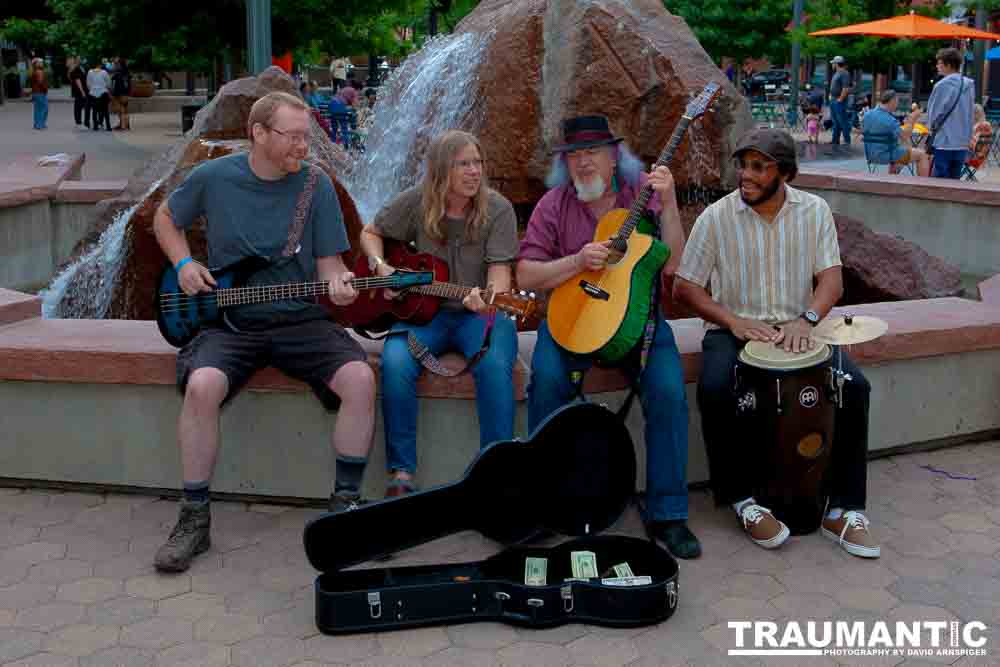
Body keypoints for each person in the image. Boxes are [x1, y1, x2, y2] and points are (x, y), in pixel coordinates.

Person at [150, 92, 376, 572]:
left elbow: (330, 265)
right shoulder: (214, 177)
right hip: (231, 322)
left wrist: (339, 287)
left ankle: (346, 507)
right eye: (292, 136)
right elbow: (165, 218)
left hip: (301, 319)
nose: (303, 145)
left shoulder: (317, 187)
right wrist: (185, 262)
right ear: (258, 133)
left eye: (306, 136)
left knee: (360, 380)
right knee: (202, 385)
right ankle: (194, 518)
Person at [673, 128, 879, 560]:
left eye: (758, 167)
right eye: (743, 166)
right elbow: (685, 287)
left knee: (854, 387)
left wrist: (805, 320)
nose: (745, 176)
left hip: (800, 328)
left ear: (785, 173)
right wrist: (734, 320)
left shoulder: (815, 211)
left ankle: (843, 508)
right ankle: (743, 501)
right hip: (732, 328)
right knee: (714, 389)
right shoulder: (716, 216)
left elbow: (832, 280)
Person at [516, 115, 701, 560]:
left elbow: (674, 263)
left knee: (669, 391)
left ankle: (669, 513)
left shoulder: (644, 198)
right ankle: (545, 504)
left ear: (614, 155)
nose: (584, 163)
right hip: (573, 319)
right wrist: (578, 261)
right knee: (545, 383)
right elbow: (526, 273)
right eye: (575, 155)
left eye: (593, 152)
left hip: (640, 324)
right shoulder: (554, 205)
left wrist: (671, 202)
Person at [360, 130, 519, 498]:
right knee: (396, 361)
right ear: (440, 170)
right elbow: (372, 231)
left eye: (477, 162)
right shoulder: (416, 202)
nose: (473, 171)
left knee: (494, 365)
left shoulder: (498, 209)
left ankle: (497, 472)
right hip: (423, 314)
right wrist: (380, 265)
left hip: (476, 315)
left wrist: (490, 299)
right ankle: (401, 475)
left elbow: (500, 276)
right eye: (463, 163)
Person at [926, 47, 975, 180]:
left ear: (948, 65)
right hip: (962, 141)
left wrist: (930, 129)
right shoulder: (969, 84)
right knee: (955, 179)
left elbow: (934, 114)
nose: (937, 66)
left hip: (944, 140)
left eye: (939, 63)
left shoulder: (941, 86)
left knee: (940, 179)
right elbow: (971, 113)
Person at [862, 90, 930, 177]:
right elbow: (906, 136)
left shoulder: (867, 115)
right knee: (922, 154)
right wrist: (912, 119)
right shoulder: (890, 120)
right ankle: (923, 185)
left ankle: (892, 179)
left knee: (901, 148)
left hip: (871, 155)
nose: (897, 105)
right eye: (897, 102)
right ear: (892, 101)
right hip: (887, 155)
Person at [829, 56, 852, 149]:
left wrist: (840, 99)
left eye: (833, 63)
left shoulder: (844, 73)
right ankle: (835, 140)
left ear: (837, 64)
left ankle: (847, 141)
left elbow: (845, 88)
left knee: (842, 120)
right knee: (835, 121)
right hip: (834, 99)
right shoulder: (837, 73)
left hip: (839, 100)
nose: (832, 65)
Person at [86, 60, 112, 131]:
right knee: (105, 110)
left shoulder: (90, 72)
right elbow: (109, 83)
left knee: (94, 110)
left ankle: (95, 126)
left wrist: (92, 89)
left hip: (93, 93)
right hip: (103, 93)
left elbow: (88, 84)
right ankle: (108, 126)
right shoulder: (104, 72)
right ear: (100, 65)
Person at [67, 56, 90, 129]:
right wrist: (82, 91)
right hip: (80, 90)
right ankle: (79, 123)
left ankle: (78, 122)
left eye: (81, 59)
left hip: (80, 90)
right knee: (79, 106)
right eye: (78, 59)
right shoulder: (76, 69)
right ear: (75, 61)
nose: (80, 60)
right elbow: (77, 80)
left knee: (78, 106)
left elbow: (71, 79)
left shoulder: (78, 68)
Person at [110, 56, 131, 131]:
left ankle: (122, 126)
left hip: (120, 94)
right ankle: (127, 125)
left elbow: (116, 85)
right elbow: (129, 85)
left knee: (120, 110)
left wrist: (114, 95)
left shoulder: (118, 74)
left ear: (120, 64)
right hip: (126, 93)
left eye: (117, 63)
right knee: (126, 109)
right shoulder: (128, 73)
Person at [30, 58, 48, 131]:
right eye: (40, 62)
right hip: (40, 92)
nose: (42, 63)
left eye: (42, 62)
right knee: (44, 108)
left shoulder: (34, 71)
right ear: (36, 64)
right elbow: (41, 82)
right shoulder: (39, 72)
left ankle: (36, 124)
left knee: (37, 109)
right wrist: (45, 88)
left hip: (35, 92)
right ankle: (40, 124)